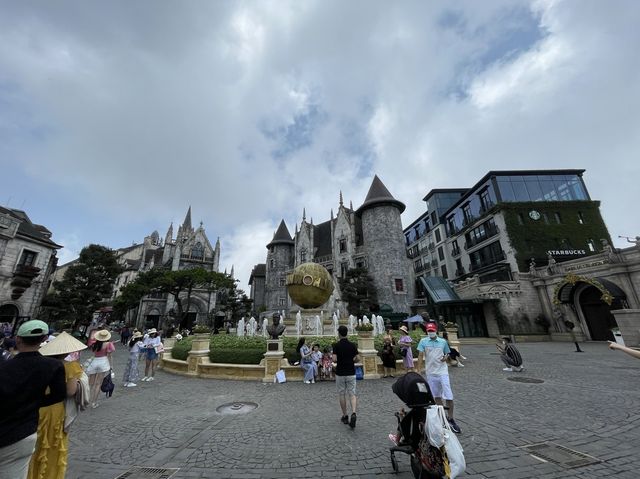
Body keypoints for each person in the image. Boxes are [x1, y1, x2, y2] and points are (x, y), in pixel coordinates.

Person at [0, 320, 66, 479]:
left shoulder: (5, 365)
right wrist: (35, 402)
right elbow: (59, 394)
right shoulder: (53, 366)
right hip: (23, 433)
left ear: (18, 339)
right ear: (44, 339)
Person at [27, 332, 87, 479]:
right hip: (54, 410)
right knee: (51, 444)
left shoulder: (39, 364)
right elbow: (70, 391)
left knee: (34, 444)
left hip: (35, 407)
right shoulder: (70, 366)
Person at [417, 323, 461, 434]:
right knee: (436, 396)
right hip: (431, 372)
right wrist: (418, 370)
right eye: (429, 330)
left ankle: (451, 418)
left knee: (448, 395)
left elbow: (447, 354)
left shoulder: (442, 342)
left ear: (435, 330)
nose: (430, 332)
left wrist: (445, 358)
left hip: (442, 371)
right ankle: (442, 417)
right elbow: (420, 355)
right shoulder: (423, 342)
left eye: (432, 330)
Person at [333, 325, 360, 429]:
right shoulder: (352, 345)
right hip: (351, 372)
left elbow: (334, 359)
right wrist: (352, 360)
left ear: (339, 333)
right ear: (347, 333)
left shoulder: (336, 345)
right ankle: (353, 412)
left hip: (340, 372)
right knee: (352, 393)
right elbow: (358, 358)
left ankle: (345, 415)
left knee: (342, 394)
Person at [85, 329, 115, 408]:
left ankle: (86, 401)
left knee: (90, 384)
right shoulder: (109, 344)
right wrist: (111, 366)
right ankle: (94, 402)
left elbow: (93, 352)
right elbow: (109, 355)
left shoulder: (95, 344)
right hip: (103, 362)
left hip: (95, 361)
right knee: (98, 384)